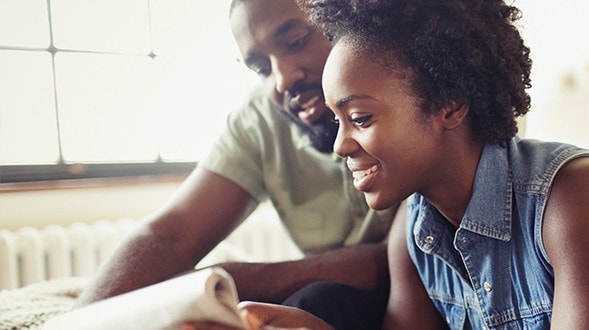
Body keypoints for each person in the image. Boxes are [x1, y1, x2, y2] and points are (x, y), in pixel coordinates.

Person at [189, 0, 589, 328]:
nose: (338, 146)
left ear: (448, 101)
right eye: (337, 121)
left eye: (359, 118)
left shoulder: (574, 193)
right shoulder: (412, 233)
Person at [75, 0, 399, 328]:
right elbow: (171, 235)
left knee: (317, 300)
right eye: (261, 68)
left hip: (418, 297)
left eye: (296, 41)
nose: (282, 80)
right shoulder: (260, 118)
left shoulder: (411, 89)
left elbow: (399, 261)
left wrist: (229, 277)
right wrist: (81, 320)